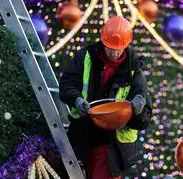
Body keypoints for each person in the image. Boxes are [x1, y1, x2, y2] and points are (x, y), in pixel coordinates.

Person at [59, 16, 153, 179]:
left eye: (119, 48)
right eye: (110, 47)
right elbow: (67, 84)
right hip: (82, 137)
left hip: (111, 147)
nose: (114, 52)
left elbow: (145, 119)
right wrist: (77, 100)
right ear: (103, 40)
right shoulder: (86, 57)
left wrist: (137, 110)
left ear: (127, 44)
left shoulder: (135, 71)